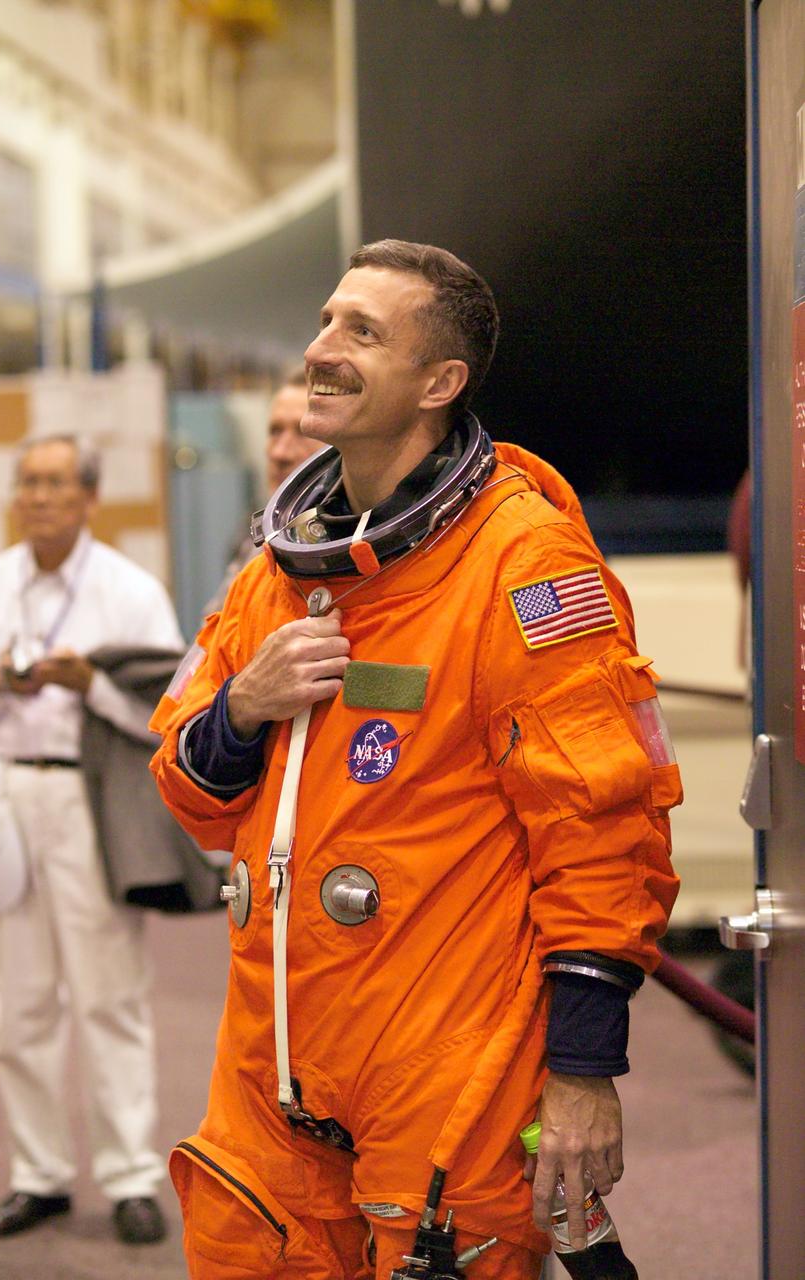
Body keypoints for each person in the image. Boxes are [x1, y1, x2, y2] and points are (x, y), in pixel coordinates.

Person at [151, 240, 682, 1279]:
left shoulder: (519, 562)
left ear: (440, 383)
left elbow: (604, 821)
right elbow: (189, 791)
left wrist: (581, 1069)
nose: (322, 349)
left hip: (442, 1061)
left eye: (363, 332)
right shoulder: (274, 569)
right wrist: (243, 709)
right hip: (274, 1064)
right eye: (325, 321)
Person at [0, 434, 184, 1245]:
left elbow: (170, 712)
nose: (39, 496)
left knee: (109, 994)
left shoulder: (129, 591)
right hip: (7, 795)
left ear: (88, 497)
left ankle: (128, 1176)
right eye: (28, 483)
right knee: (19, 1004)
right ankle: (38, 1174)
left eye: (55, 483)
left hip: (92, 799)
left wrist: (93, 687)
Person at [205, 367, 322, 611]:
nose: (280, 453)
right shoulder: (252, 540)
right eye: (275, 431)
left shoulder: (341, 552)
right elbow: (211, 640)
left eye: (301, 432)